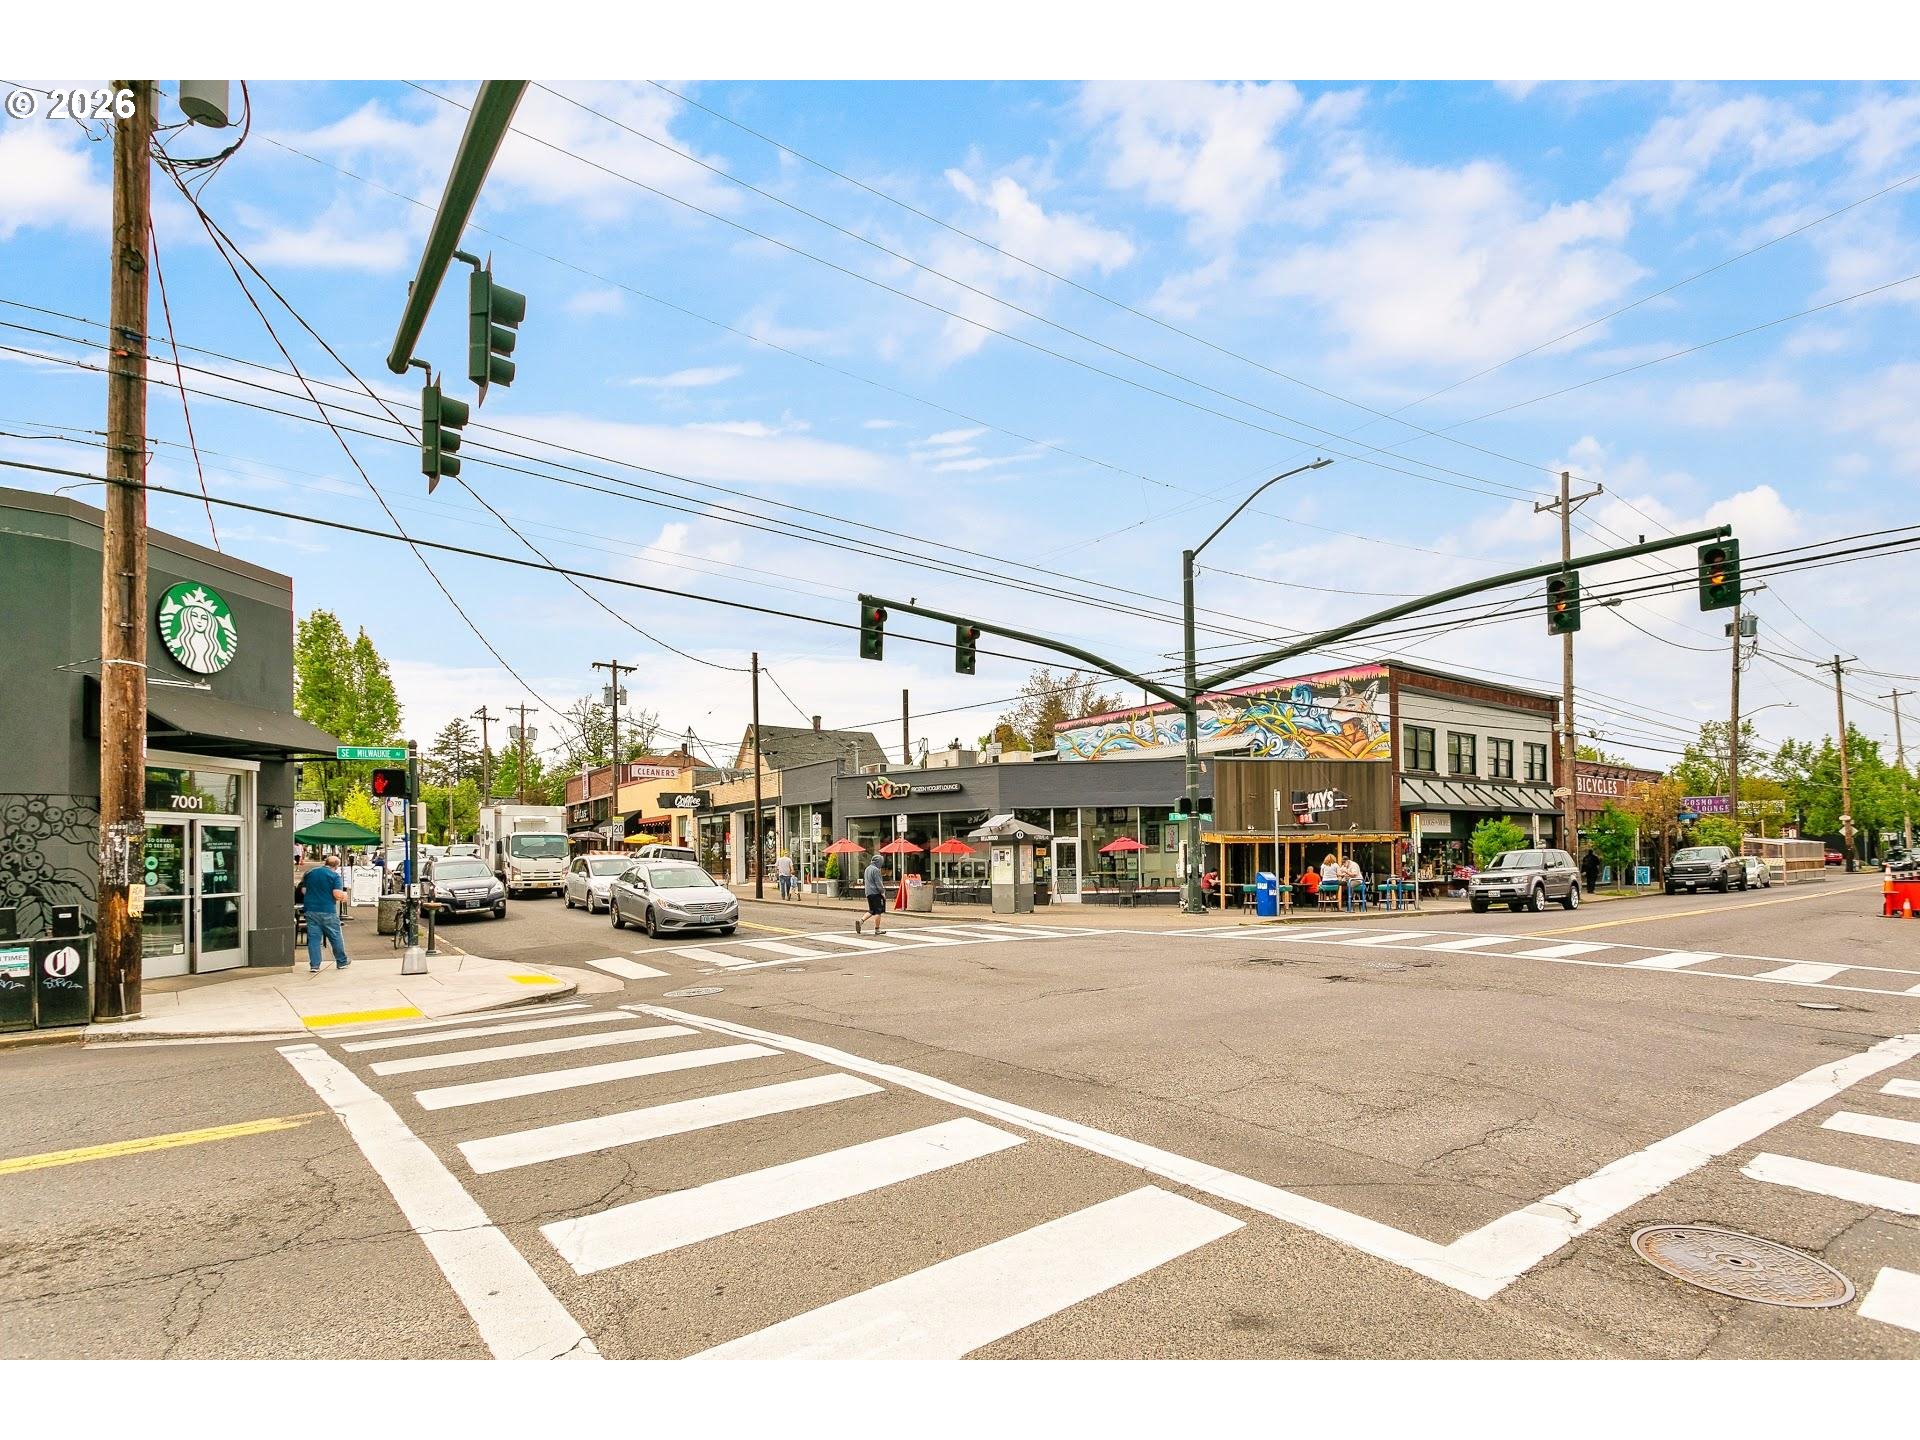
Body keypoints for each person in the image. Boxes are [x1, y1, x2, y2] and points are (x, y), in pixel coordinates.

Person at [298, 851, 351, 973]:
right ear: (336, 866)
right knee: (335, 936)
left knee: (314, 938)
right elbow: (336, 894)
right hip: (328, 910)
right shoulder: (335, 876)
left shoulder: (310, 873)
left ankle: (314, 965)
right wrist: (344, 896)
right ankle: (341, 962)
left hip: (310, 909)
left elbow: (304, 891)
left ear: (325, 863)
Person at [854, 854, 887, 935]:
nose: (881, 864)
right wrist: (882, 892)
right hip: (875, 892)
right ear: (878, 862)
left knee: (872, 910)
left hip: (868, 892)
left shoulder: (867, 869)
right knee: (878, 911)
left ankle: (861, 921)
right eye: (881, 862)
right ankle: (877, 929)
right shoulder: (876, 870)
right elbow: (878, 883)